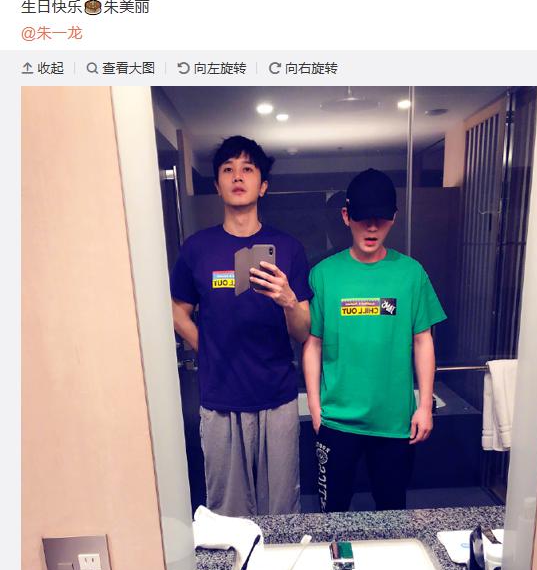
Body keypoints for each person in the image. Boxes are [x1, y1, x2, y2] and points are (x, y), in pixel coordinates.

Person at [170, 135, 312, 517]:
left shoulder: (288, 248)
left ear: (262, 185)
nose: (237, 176)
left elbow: (303, 332)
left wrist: (288, 300)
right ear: (217, 185)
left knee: (281, 509)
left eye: (248, 169)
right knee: (226, 514)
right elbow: (176, 311)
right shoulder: (197, 248)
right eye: (228, 169)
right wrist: (207, 347)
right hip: (220, 397)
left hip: (277, 397)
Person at [302, 168, 446, 512]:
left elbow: (423, 340)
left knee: (392, 513)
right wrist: (315, 408)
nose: (371, 227)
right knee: (332, 515)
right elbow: (313, 344)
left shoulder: (411, 273)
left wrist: (425, 406)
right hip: (337, 419)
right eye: (362, 218)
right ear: (346, 216)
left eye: (380, 219)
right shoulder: (323, 274)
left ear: (393, 218)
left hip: (394, 421)